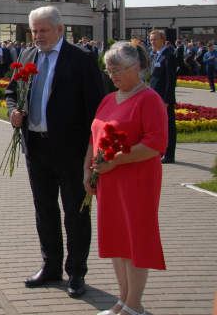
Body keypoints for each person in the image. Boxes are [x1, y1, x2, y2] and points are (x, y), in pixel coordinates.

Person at [6, 6, 106, 298]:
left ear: (60, 30)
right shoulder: (26, 56)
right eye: (33, 31)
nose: (37, 36)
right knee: (45, 210)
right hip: (36, 147)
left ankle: (76, 271)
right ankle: (50, 267)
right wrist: (13, 111)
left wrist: (91, 153)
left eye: (43, 30)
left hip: (71, 152)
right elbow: (12, 92)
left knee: (75, 212)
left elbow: (96, 107)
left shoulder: (82, 59)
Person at [87, 42, 167, 315]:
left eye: (117, 69)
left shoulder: (149, 99)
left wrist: (117, 161)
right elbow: (93, 137)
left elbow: (156, 144)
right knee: (117, 238)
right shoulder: (109, 99)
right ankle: (122, 300)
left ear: (137, 68)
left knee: (135, 239)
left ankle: (135, 305)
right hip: (109, 180)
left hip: (136, 180)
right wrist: (88, 170)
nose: (112, 75)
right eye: (108, 70)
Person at [148, 30, 177, 164]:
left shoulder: (169, 56)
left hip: (164, 99)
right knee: (159, 125)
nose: (152, 42)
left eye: (155, 39)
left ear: (163, 40)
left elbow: (171, 81)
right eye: (151, 39)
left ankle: (170, 154)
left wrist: (166, 100)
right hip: (156, 96)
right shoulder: (157, 55)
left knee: (169, 125)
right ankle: (160, 151)